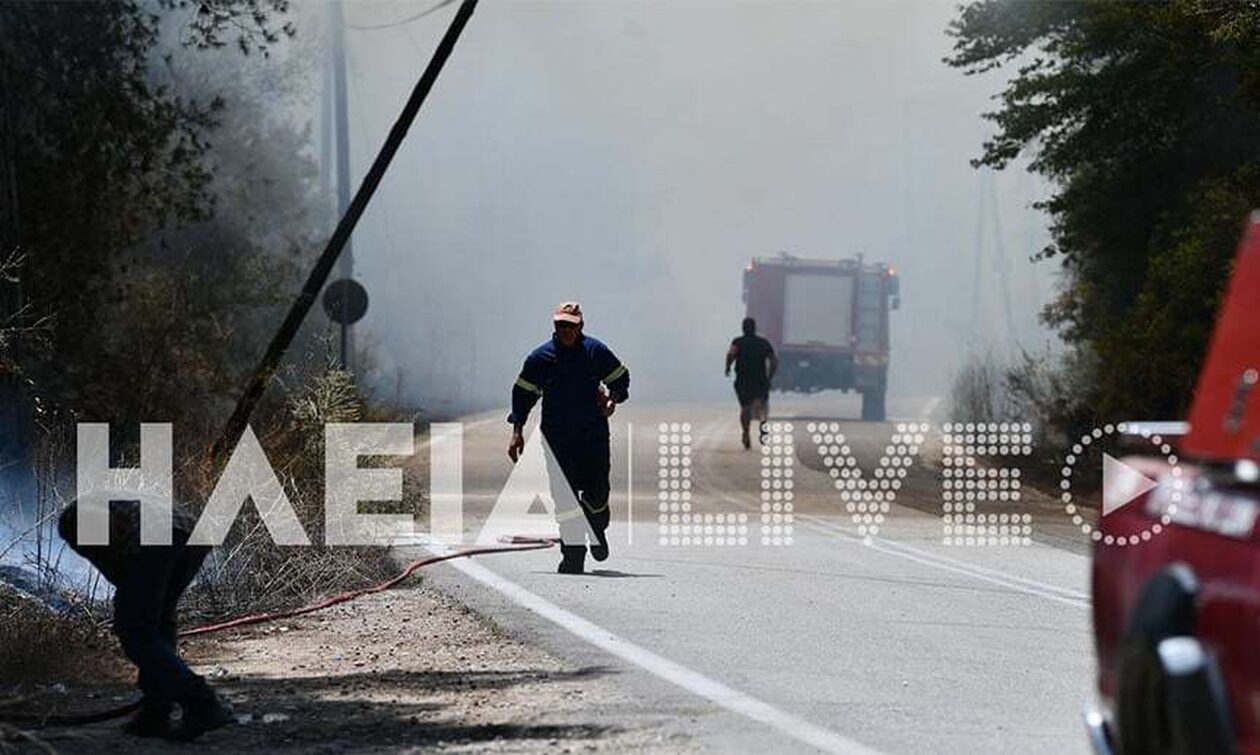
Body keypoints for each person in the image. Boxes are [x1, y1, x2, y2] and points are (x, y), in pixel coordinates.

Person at [58, 499, 231, 741]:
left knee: (135, 631)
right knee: (159, 622)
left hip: (158, 536)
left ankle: (201, 702)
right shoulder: (103, 505)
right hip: (192, 534)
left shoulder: (73, 520)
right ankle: (156, 710)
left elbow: (109, 552)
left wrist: (127, 596)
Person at [507, 302, 630, 574]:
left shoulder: (595, 351)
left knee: (598, 493)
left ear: (580, 326)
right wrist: (517, 432)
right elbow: (523, 395)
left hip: (593, 437)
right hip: (557, 440)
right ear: (554, 326)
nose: (565, 330)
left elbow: (620, 379)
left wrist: (613, 399)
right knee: (565, 500)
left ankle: (596, 525)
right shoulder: (541, 358)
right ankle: (573, 556)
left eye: (570, 326)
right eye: (560, 325)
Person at [725, 317, 778, 449]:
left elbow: (731, 355)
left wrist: (728, 367)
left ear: (743, 328)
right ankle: (763, 428)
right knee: (763, 406)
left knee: (745, 407)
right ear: (755, 328)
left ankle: (746, 432)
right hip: (760, 380)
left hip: (743, 380)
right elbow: (774, 360)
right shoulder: (763, 343)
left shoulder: (738, 342)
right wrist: (770, 376)